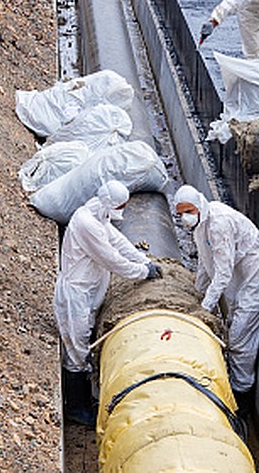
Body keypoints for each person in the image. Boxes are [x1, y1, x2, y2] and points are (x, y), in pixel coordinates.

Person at [54, 180, 161, 425]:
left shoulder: (99, 215)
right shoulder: (86, 222)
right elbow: (110, 258)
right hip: (77, 293)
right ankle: (76, 407)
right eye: (121, 205)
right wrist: (142, 273)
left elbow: (118, 241)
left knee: (85, 341)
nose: (122, 209)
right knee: (77, 349)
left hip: (90, 289)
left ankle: (85, 396)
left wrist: (143, 260)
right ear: (110, 203)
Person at [174, 184, 259, 414]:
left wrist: (204, 307)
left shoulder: (219, 224)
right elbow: (204, 261)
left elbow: (222, 273)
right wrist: (196, 292)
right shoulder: (202, 224)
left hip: (256, 282)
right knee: (233, 328)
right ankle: (235, 383)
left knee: (239, 340)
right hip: (241, 283)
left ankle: (242, 398)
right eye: (181, 214)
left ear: (199, 206)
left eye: (188, 211)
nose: (185, 218)